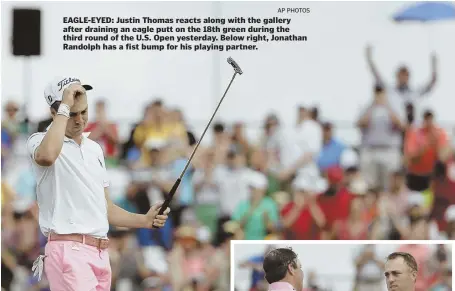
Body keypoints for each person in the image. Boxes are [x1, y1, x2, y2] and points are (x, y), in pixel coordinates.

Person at [26, 77, 170, 291]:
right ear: (55, 113)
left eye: (84, 112)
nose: (80, 120)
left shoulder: (94, 149)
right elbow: (47, 156)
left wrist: (145, 220)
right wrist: (65, 103)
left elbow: (106, 208)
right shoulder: (38, 140)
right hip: (68, 250)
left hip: (100, 253)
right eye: (71, 114)